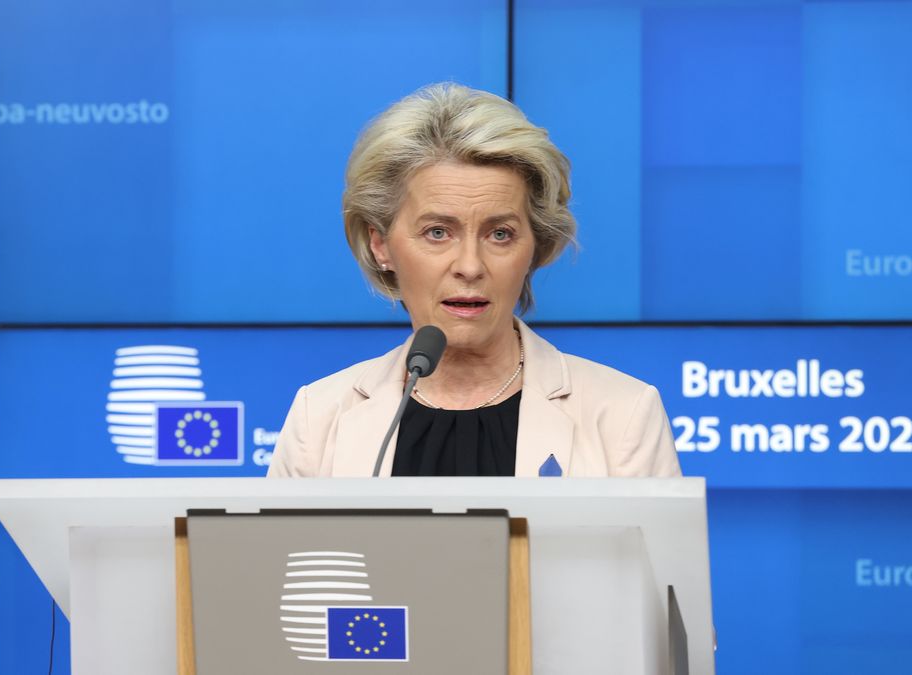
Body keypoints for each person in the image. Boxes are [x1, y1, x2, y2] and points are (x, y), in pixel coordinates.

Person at [267, 83, 680, 478]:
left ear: (535, 246)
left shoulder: (623, 416)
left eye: (500, 234)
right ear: (381, 246)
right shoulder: (319, 418)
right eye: (437, 232)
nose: (470, 266)